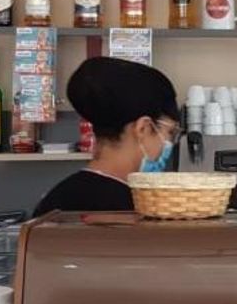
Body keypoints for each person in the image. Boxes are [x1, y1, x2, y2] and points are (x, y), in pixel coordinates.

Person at [34, 57, 181, 215]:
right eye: (170, 132)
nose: (170, 143)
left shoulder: (54, 202)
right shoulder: (137, 212)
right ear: (143, 128)